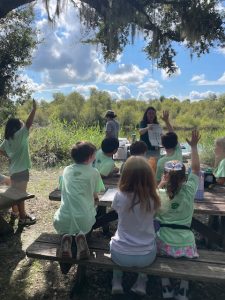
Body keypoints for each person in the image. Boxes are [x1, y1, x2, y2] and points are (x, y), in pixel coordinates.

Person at [53, 141, 117, 274]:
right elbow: (97, 192)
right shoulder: (93, 172)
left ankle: (66, 246)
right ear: (89, 157)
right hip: (84, 219)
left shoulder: (66, 170)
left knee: (67, 230)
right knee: (85, 225)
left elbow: (61, 187)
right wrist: (94, 198)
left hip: (62, 218)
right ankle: (83, 241)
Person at [156, 130, 200, 300]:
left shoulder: (159, 193)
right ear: (184, 177)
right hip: (186, 244)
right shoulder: (189, 190)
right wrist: (194, 147)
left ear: (165, 176)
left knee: (157, 252)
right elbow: (196, 169)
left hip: (163, 243)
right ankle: (183, 286)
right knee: (188, 259)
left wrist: (161, 183)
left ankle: (166, 284)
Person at [110, 156, 161, 296]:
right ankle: (141, 282)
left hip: (120, 254)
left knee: (115, 238)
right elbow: (155, 215)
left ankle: (117, 281)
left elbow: (115, 209)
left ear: (125, 175)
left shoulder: (119, 195)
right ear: (149, 176)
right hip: (146, 256)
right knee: (154, 240)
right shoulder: (154, 197)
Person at [0, 99, 37, 226]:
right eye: (20, 124)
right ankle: (23, 218)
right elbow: (28, 123)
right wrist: (34, 110)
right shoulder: (20, 135)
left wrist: (9, 156)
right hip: (21, 171)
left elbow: (0, 150)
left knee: (15, 193)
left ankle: (16, 213)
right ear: (17, 127)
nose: (22, 125)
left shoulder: (7, 139)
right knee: (20, 196)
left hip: (13, 170)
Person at [156, 111, 182, 182]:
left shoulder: (161, 162)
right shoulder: (178, 151)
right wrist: (167, 121)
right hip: (178, 186)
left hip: (167, 190)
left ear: (162, 145)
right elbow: (173, 134)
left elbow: (158, 180)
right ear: (176, 142)